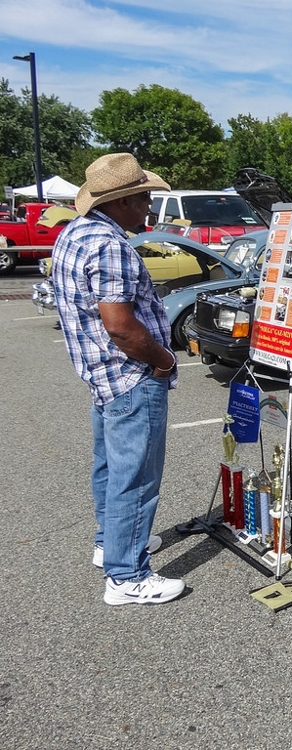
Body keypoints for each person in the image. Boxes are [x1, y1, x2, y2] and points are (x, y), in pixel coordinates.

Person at [51, 153, 184, 606]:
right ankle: (127, 576)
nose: (149, 205)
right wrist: (163, 360)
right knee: (136, 477)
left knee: (110, 467)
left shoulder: (74, 233)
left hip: (101, 377)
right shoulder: (110, 245)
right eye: (144, 197)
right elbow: (121, 327)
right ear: (122, 201)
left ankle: (112, 545)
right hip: (130, 376)